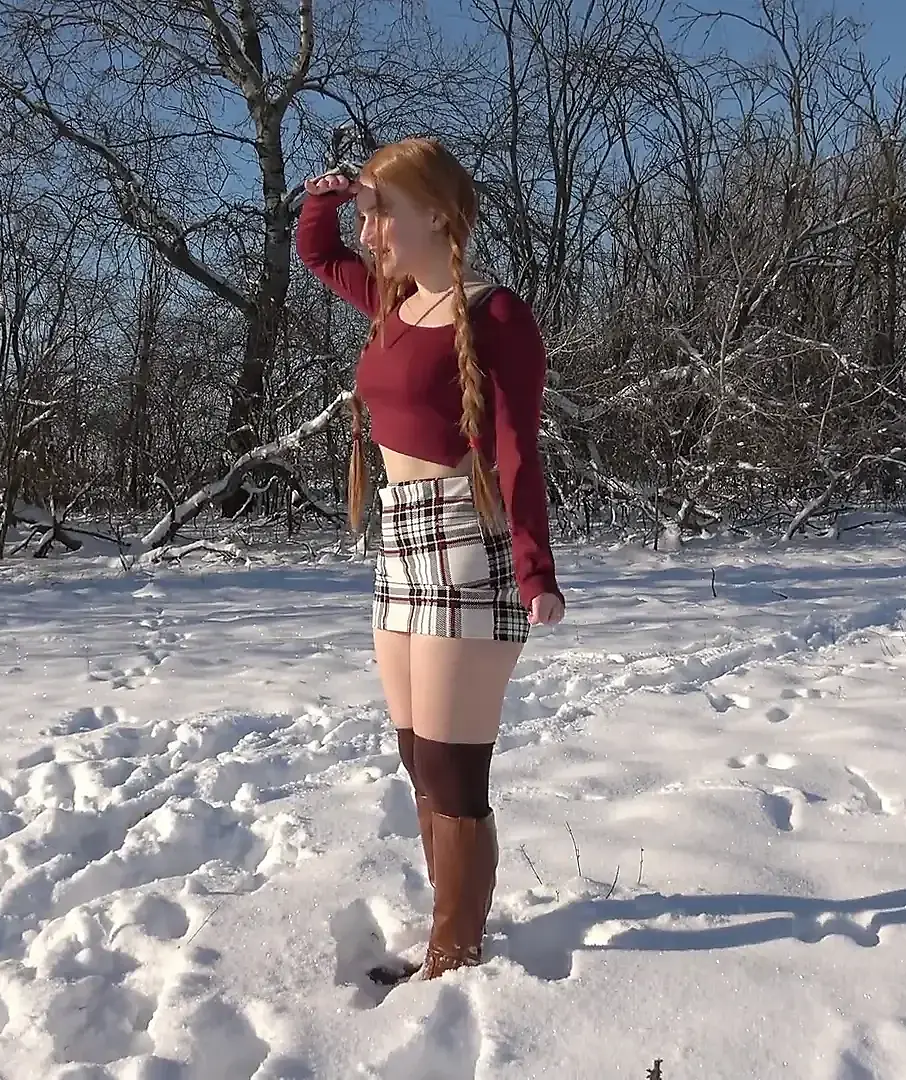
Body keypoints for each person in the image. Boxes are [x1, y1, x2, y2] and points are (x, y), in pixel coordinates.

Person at [296, 136, 565, 982]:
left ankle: (454, 956)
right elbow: (317, 252)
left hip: (467, 538)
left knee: (453, 768)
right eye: (366, 215)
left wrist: (535, 567)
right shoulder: (391, 303)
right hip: (398, 540)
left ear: (440, 216)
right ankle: (447, 935)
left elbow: (517, 449)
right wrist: (330, 196)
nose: (368, 231)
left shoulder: (495, 315)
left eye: (383, 213)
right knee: (417, 755)